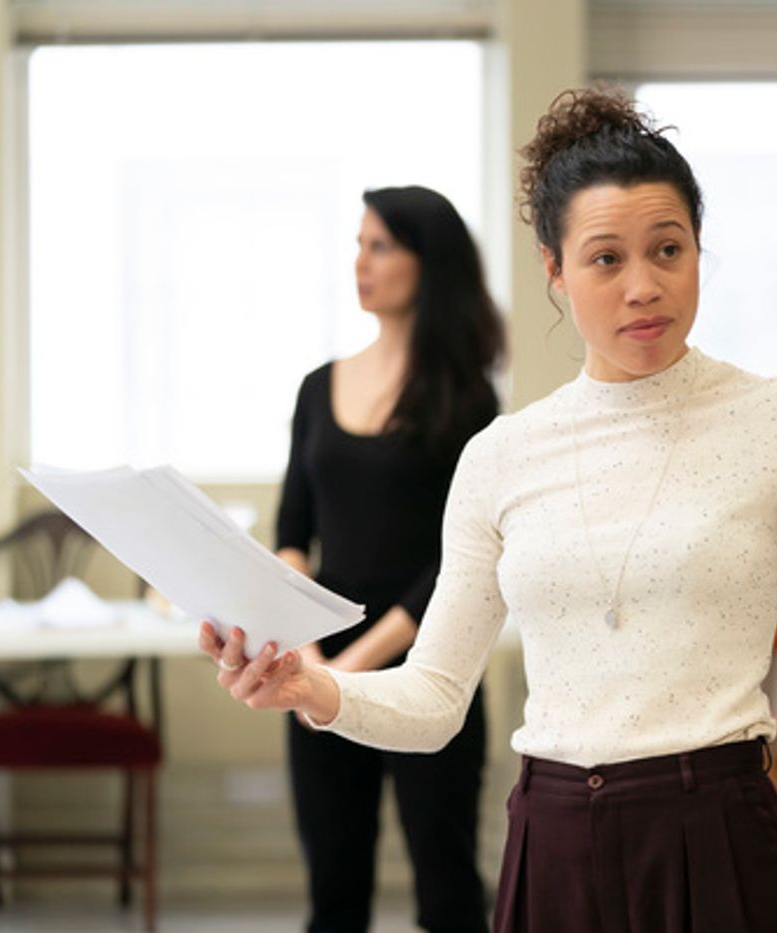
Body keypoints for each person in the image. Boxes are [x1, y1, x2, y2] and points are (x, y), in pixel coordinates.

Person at [202, 89, 777, 933]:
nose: (643, 285)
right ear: (556, 271)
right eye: (606, 258)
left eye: (668, 249)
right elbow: (437, 697)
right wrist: (314, 690)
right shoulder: (501, 456)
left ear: (697, 251)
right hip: (553, 837)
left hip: (713, 826)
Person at [271, 186, 503, 933]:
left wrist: (356, 667)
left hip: (429, 664)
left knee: (448, 888)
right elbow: (292, 534)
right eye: (358, 244)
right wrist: (313, 662)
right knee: (334, 890)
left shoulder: (466, 399)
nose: (360, 263)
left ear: (425, 263)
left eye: (380, 246)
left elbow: (456, 561)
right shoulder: (317, 387)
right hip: (319, 662)